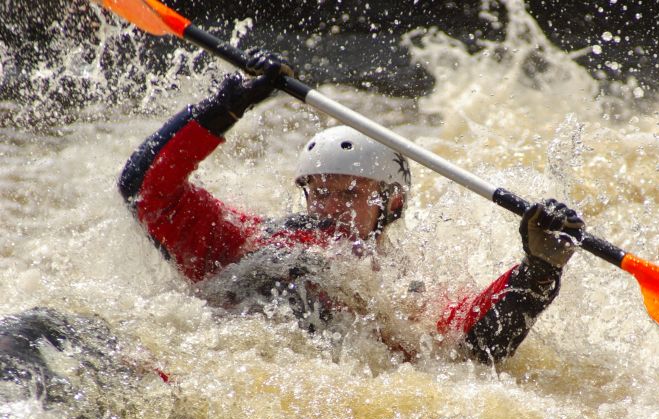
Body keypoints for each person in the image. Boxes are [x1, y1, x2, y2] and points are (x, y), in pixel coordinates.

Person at [116, 52, 585, 364]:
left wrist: (538, 271)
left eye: (349, 194)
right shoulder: (245, 240)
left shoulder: (402, 292)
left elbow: (470, 349)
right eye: (320, 191)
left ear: (392, 201)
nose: (330, 207)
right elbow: (144, 188)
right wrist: (226, 106)